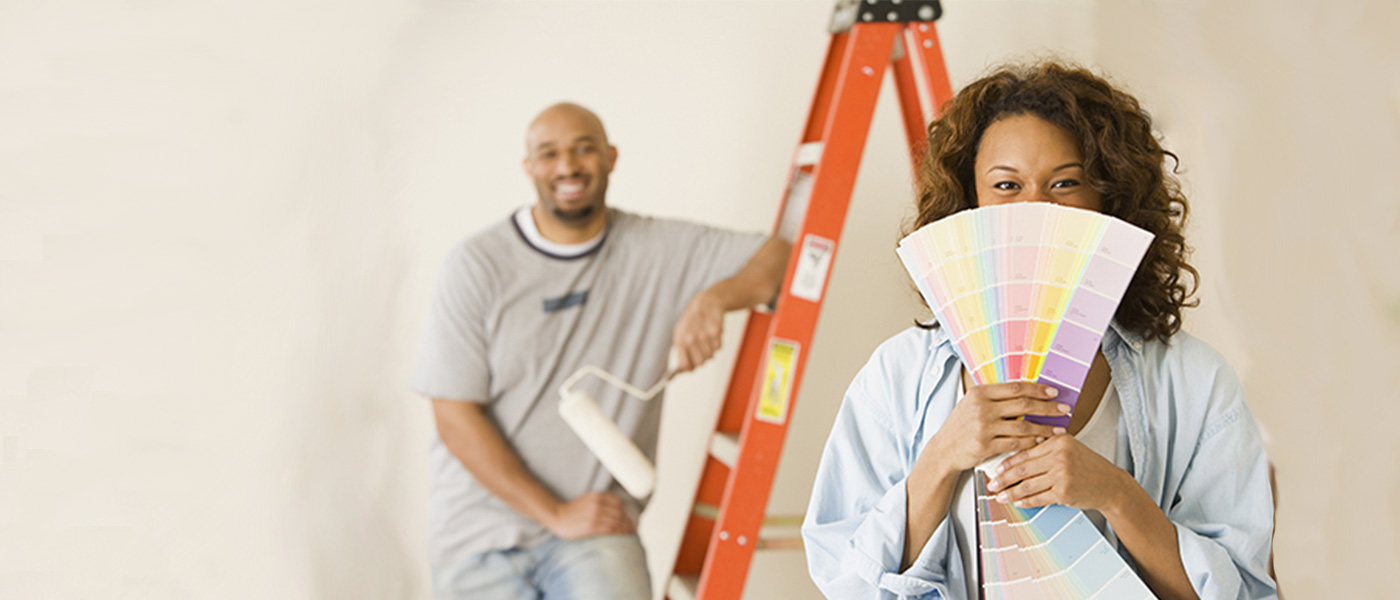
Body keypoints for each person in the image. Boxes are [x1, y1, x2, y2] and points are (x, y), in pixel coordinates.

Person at [801, 62, 1277, 600]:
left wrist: (1117, 495)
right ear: (970, 201)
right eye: (1006, 185)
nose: (1034, 211)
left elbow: (1241, 594)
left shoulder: (1196, 382)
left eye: (1065, 184)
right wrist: (940, 459)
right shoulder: (899, 374)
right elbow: (847, 585)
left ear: (1110, 199)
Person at [411, 102, 790, 599]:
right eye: (549, 154)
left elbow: (782, 258)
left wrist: (715, 299)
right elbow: (454, 417)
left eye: (583, 149)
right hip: (479, 534)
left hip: (596, 530)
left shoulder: (656, 248)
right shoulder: (477, 264)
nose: (568, 167)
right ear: (529, 169)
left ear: (611, 157)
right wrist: (555, 514)